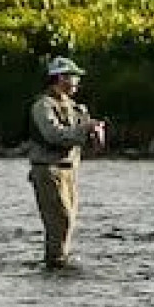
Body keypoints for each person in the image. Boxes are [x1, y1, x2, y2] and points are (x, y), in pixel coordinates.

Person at [24, 55, 106, 269]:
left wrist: (94, 133)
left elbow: (83, 138)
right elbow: (53, 135)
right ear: (60, 78)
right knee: (59, 221)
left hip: (69, 171)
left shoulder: (76, 107)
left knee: (68, 222)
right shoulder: (43, 105)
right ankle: (55, 264)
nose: (77, 82)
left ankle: (59, 262)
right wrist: (84, 129)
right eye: (74, 77)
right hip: (48, 171)